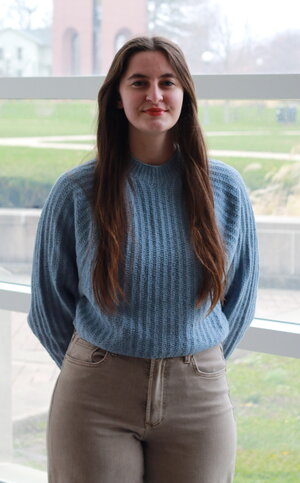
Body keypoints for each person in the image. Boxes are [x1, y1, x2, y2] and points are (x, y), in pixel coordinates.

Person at [28, 36, 259, 483]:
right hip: (95, 398)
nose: (154, 95)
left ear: (184, 95)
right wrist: (98, 368)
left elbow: (241, 297)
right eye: (139, 83)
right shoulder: (77, 191)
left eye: (167, 82)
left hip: (199, 395)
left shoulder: (225, 189)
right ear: (117, 98)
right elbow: (48, 306)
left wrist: (196, 363)